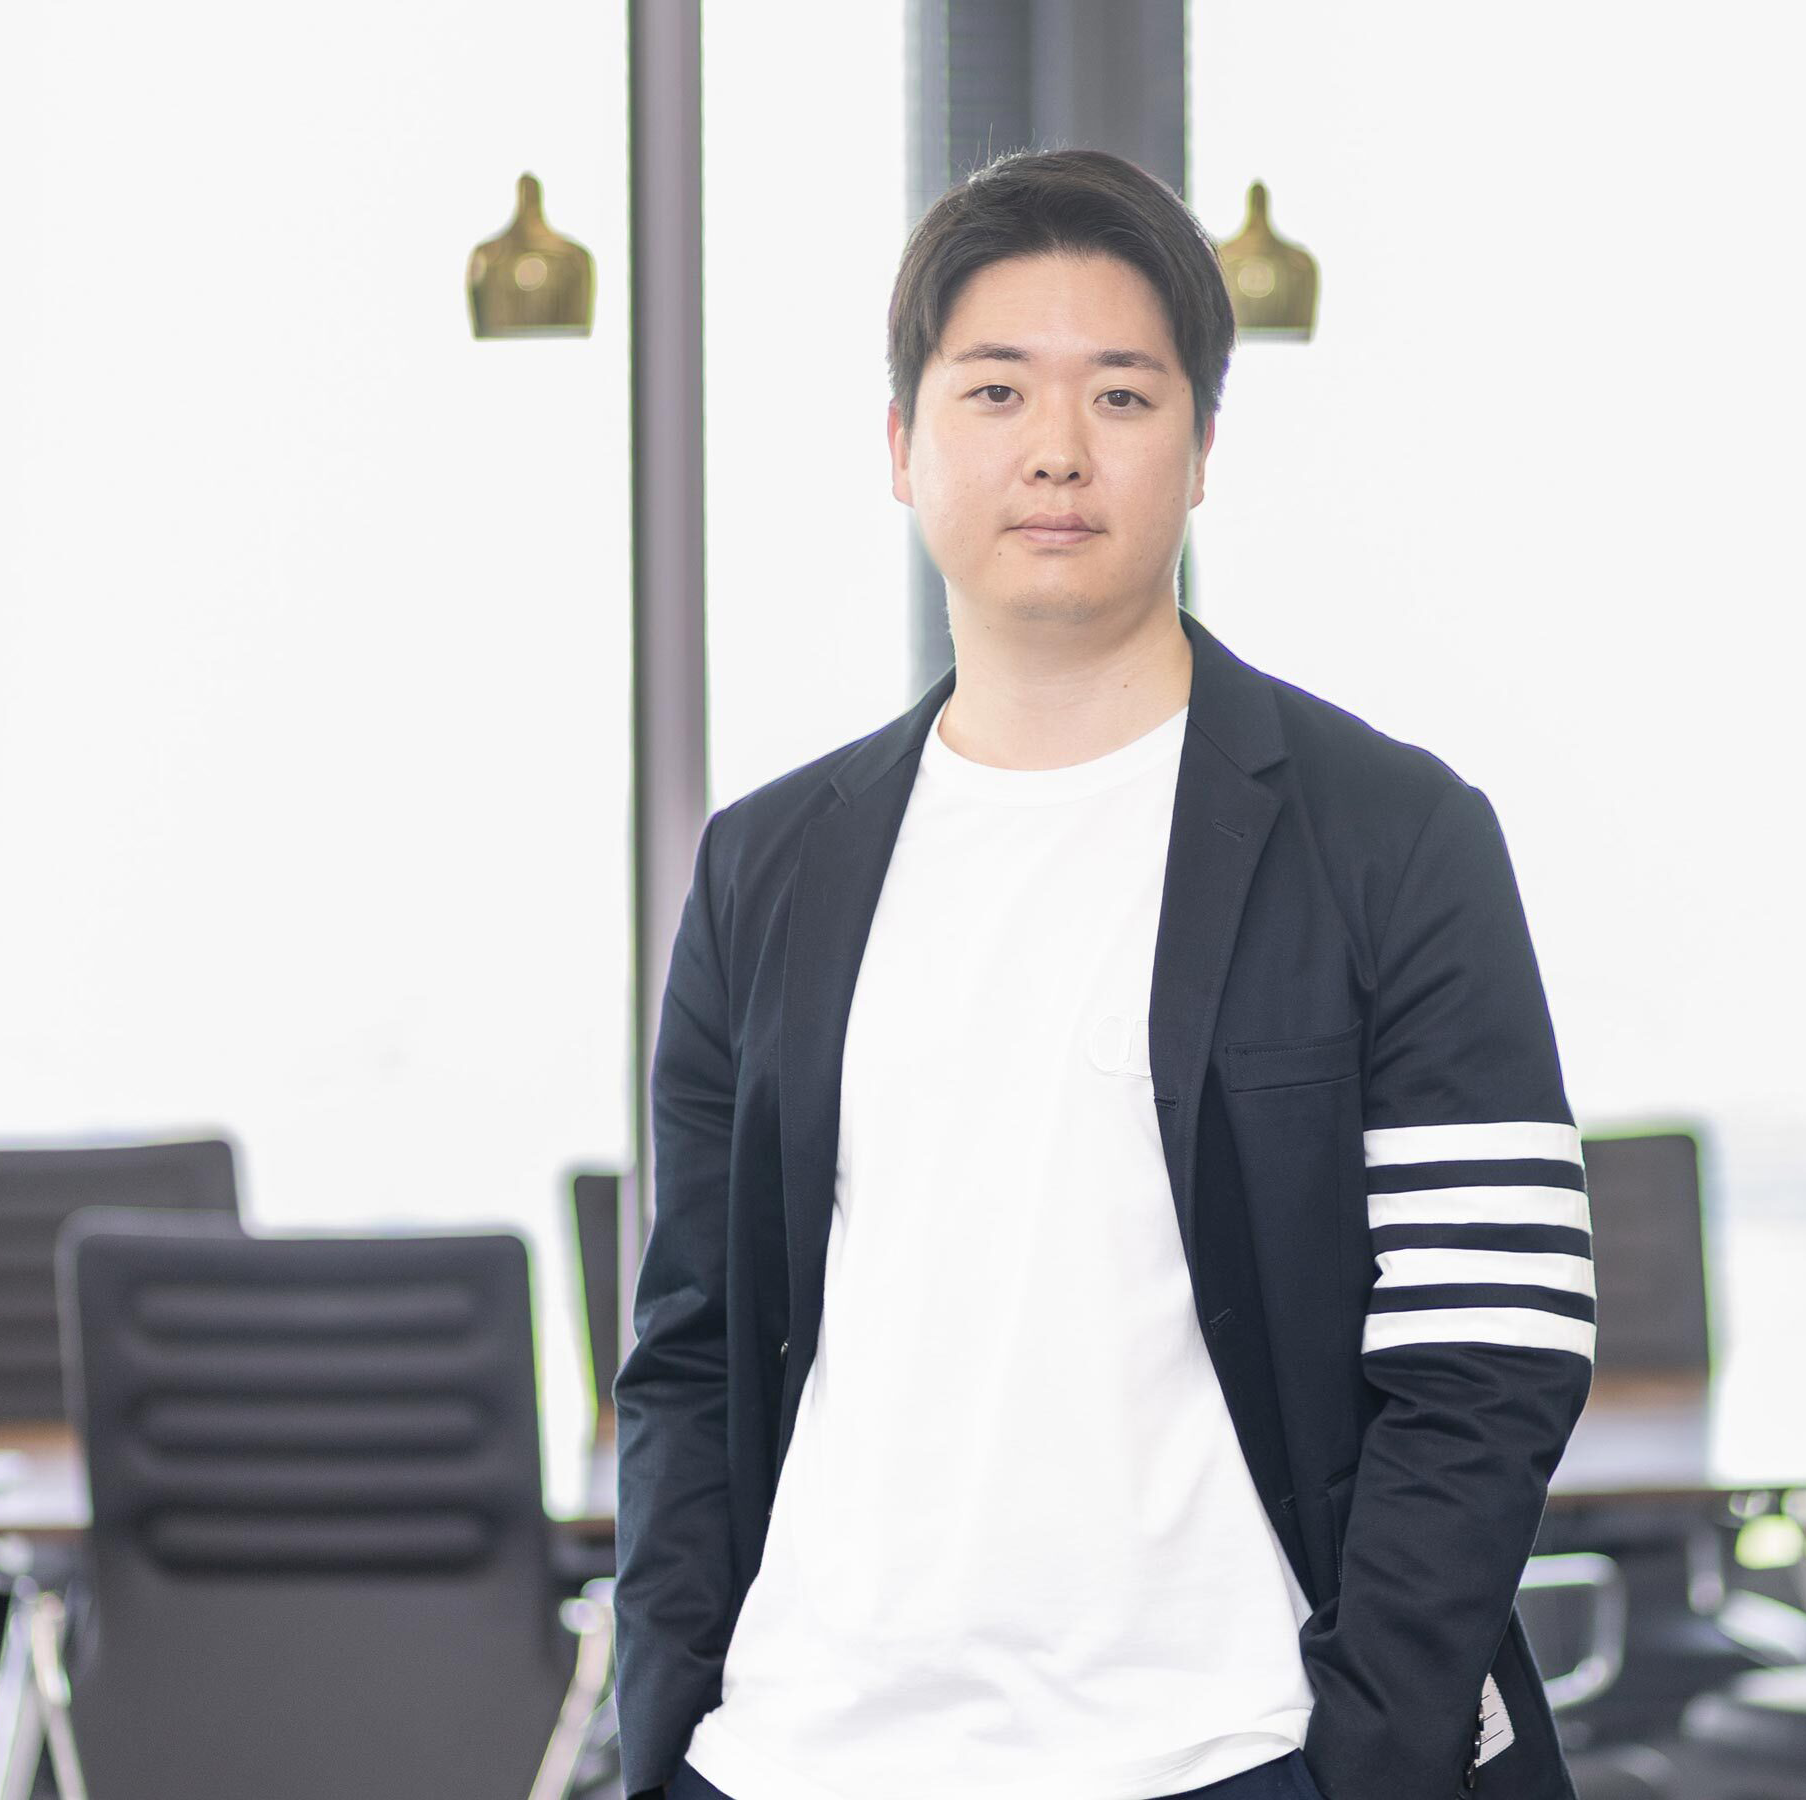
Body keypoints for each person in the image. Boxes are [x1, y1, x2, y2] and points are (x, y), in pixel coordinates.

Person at [612, 147, 1595, 1800]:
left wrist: (1364, 1757)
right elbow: (693, 1356)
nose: (1057, 449)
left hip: (1225, 1755)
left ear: (1202, 452)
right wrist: (669, 1738)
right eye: (995, 389)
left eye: (1123, 396)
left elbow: (1492, 1348)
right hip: (795, 1752)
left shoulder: (1391, 837)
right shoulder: (768, 866)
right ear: (902, 444)